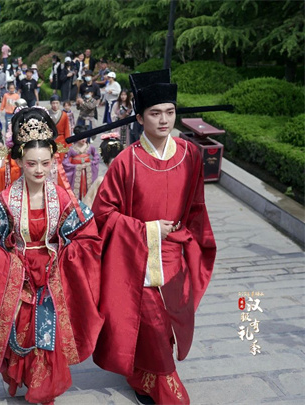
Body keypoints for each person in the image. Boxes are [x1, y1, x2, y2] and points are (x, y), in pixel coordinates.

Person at [0, 107, 103, 405]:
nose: (39, 170)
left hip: (52, 276)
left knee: (47, 335)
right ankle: (28, 380)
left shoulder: (63, 198)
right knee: (24, 332)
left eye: (46, 163)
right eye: (32, 163)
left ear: (53, 160)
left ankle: (42, 390)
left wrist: (65, 258)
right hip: (19, 276)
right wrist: (7, 262)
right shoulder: (4, 201)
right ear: (20, 161)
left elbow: (88, 237)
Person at [90, 69, 216, 405]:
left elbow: (196, 207)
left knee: (168, 324)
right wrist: (147, 229)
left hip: (175, 255)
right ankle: (164, 387)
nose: (164, 120)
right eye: (155, 113)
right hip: (137, 258)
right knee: (154, 324)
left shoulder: (190, 155)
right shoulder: (126, 162)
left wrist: (192, 245)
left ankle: (141, 372)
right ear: (139, 118)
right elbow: (102, 215)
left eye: (170, 112)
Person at [62, 134, 99, 201]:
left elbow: (96, 157)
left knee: (89, 188)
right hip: (76, 173)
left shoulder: (90, 147)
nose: (84, 139)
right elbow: (65, 162)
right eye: (81, 138)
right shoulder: (71, 149)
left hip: (88, 172)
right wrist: (76, 166)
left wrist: (90, 164)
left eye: (85, 137)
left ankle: (88, 200)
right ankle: (76, 202)